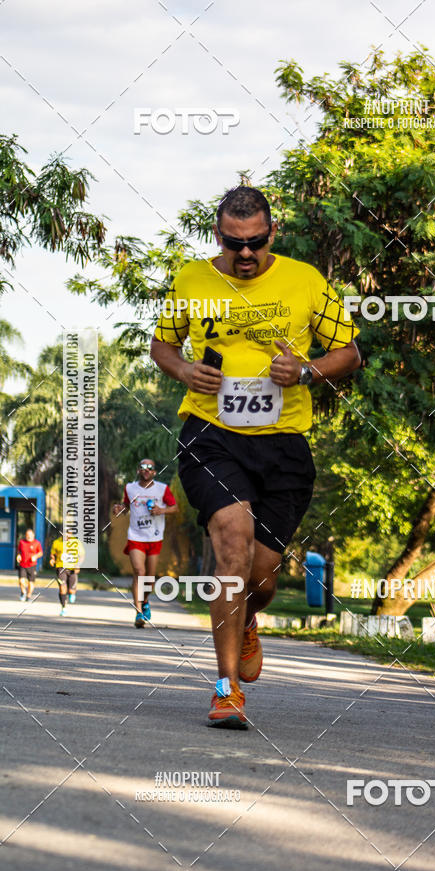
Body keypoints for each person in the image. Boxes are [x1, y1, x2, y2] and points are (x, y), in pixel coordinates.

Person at [151, 185, 361, 729]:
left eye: (255, 242)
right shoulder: (190, 280)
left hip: (284, 443)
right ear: (218, 235)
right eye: (232, 243)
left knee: (259, 578)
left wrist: (309, 370)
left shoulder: (305, 281)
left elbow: (351, 352)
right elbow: (163, 346)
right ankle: (225, 690)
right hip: (211, 435)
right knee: (232, 546)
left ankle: (246, 620)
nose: (245, 254)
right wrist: (183, 371)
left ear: (272, 233)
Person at [112, 459, 177, 629]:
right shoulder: (130, 488)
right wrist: (119, 509)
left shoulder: (162, 488)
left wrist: (161, 510)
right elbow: (126, 506)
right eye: (142, 467)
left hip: (154, 537)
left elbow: (174, 507)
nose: (146, 469)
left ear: (154, 472)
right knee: (139, 572)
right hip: (136, 536)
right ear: (138, 470)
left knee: (149, 579)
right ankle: (138, 611)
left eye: (150, 467)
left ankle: (146, 600)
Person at [49, 532, 82, 615]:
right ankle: (63, 608)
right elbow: (53, 554)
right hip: (61, 567)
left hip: (72, 569)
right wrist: (52, 559)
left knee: (71, 591)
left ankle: (71, 593)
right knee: (62, 587)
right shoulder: (56, 542)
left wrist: (78, 565)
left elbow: (81, 555)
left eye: (68, 534)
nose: (67, 535)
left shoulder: (76, 542)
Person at [16, 527, 43, 601]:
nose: (29, 536)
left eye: (30, 535)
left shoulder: (37, 543)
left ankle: (28, 596)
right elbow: (19, 551)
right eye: (27, 535)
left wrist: (35, 556)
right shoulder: (22, 542)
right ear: (25, 535)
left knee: (31, 582)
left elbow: (40, 553)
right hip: (22, 565)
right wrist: (18, 555)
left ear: (33, 535)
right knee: (21, 581)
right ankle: (23, 592)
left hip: (32, 565)